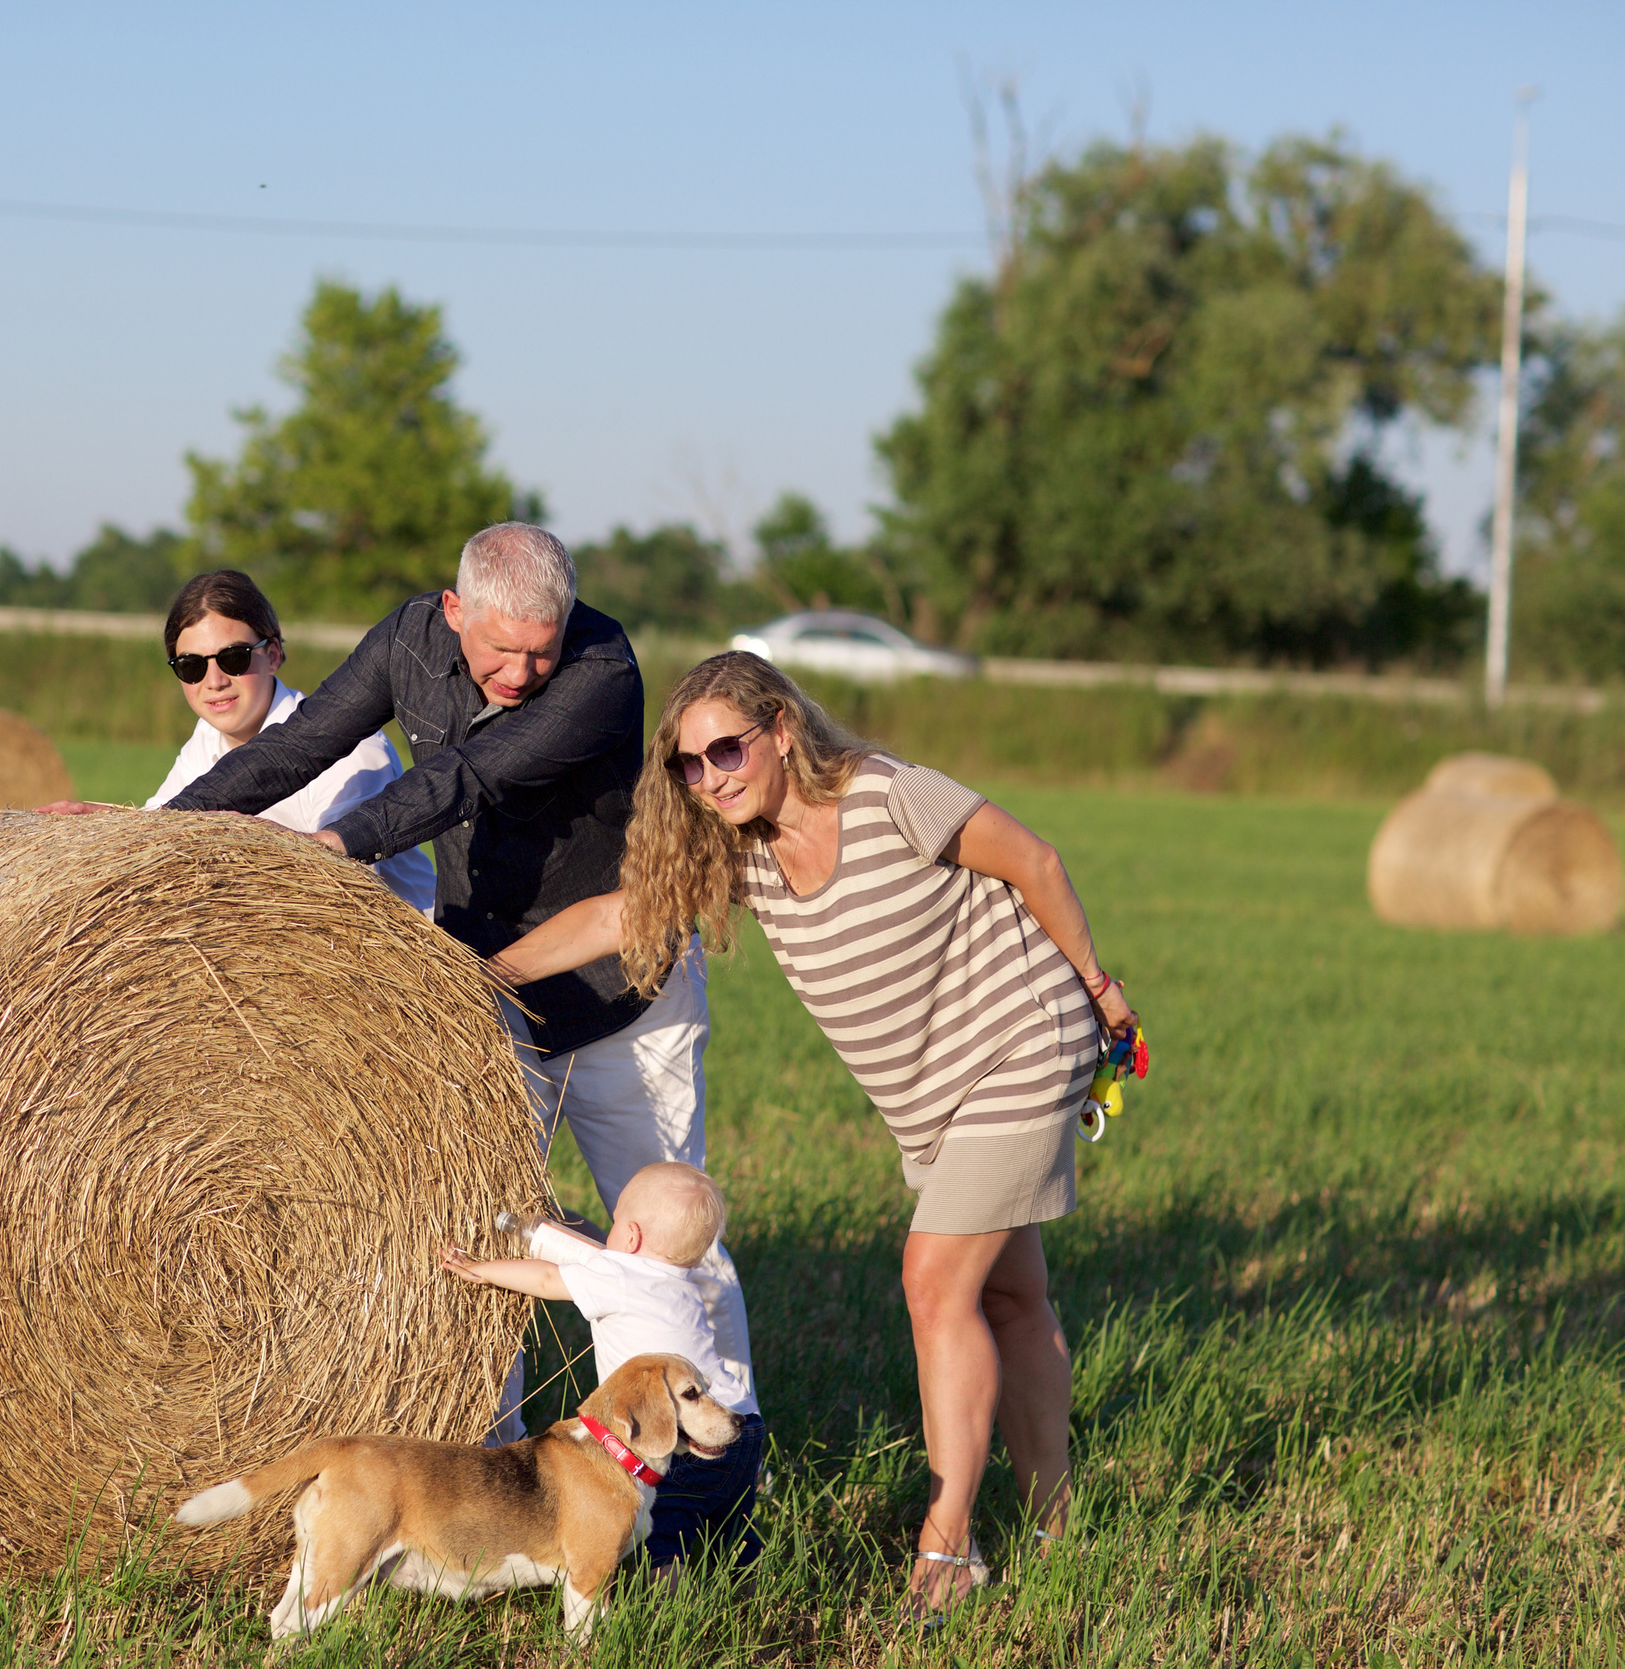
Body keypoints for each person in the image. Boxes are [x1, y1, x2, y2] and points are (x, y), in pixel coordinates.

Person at [491, 650, 1137, 1622]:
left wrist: (1099, 989)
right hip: (930, 1098)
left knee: (932, 1280)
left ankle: (946, 1542)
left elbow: (1033, 860)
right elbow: (615, 918)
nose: (710, 777)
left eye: (726, 750)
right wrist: (477, 975)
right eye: (687, 766)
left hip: (1022, 1042)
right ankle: (1054, 1519)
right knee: (1008, 1293)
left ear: (782, 729)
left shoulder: (890, 798)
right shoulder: (735, 853)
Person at [150, 523, 755, 1443]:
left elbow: (466, 778)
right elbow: (301, 741)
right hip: (488, 985)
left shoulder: (603, 667)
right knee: (493, 1227)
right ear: (454, 611)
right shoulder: (406, 640)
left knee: (673, 1244)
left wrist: (335, 844)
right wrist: (154, 836)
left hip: (626, 993)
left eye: (538, 650)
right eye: (500, 650)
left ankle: (730, 1439)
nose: (519, 672)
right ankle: (495, 1446)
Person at [439, 1162, 764, 1573]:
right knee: (733, 1526)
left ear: (631, 1236)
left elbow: (545, 1278)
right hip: (742, 1423)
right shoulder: (685, 1285)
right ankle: (749, 1581)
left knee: (664, 1527)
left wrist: (481, 1271)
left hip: (681, 1432)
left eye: (613, 1224)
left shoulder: (618, 1274)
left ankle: (665, 1610)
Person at [51, 570, 435, 910]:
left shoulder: (354, 751)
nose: (214, 681)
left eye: (233, 659)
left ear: (274, 655)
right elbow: (162, 831)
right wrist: (104, 825)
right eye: (191, 666)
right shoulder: (208, 738)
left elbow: (342, 884)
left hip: (400, 965)